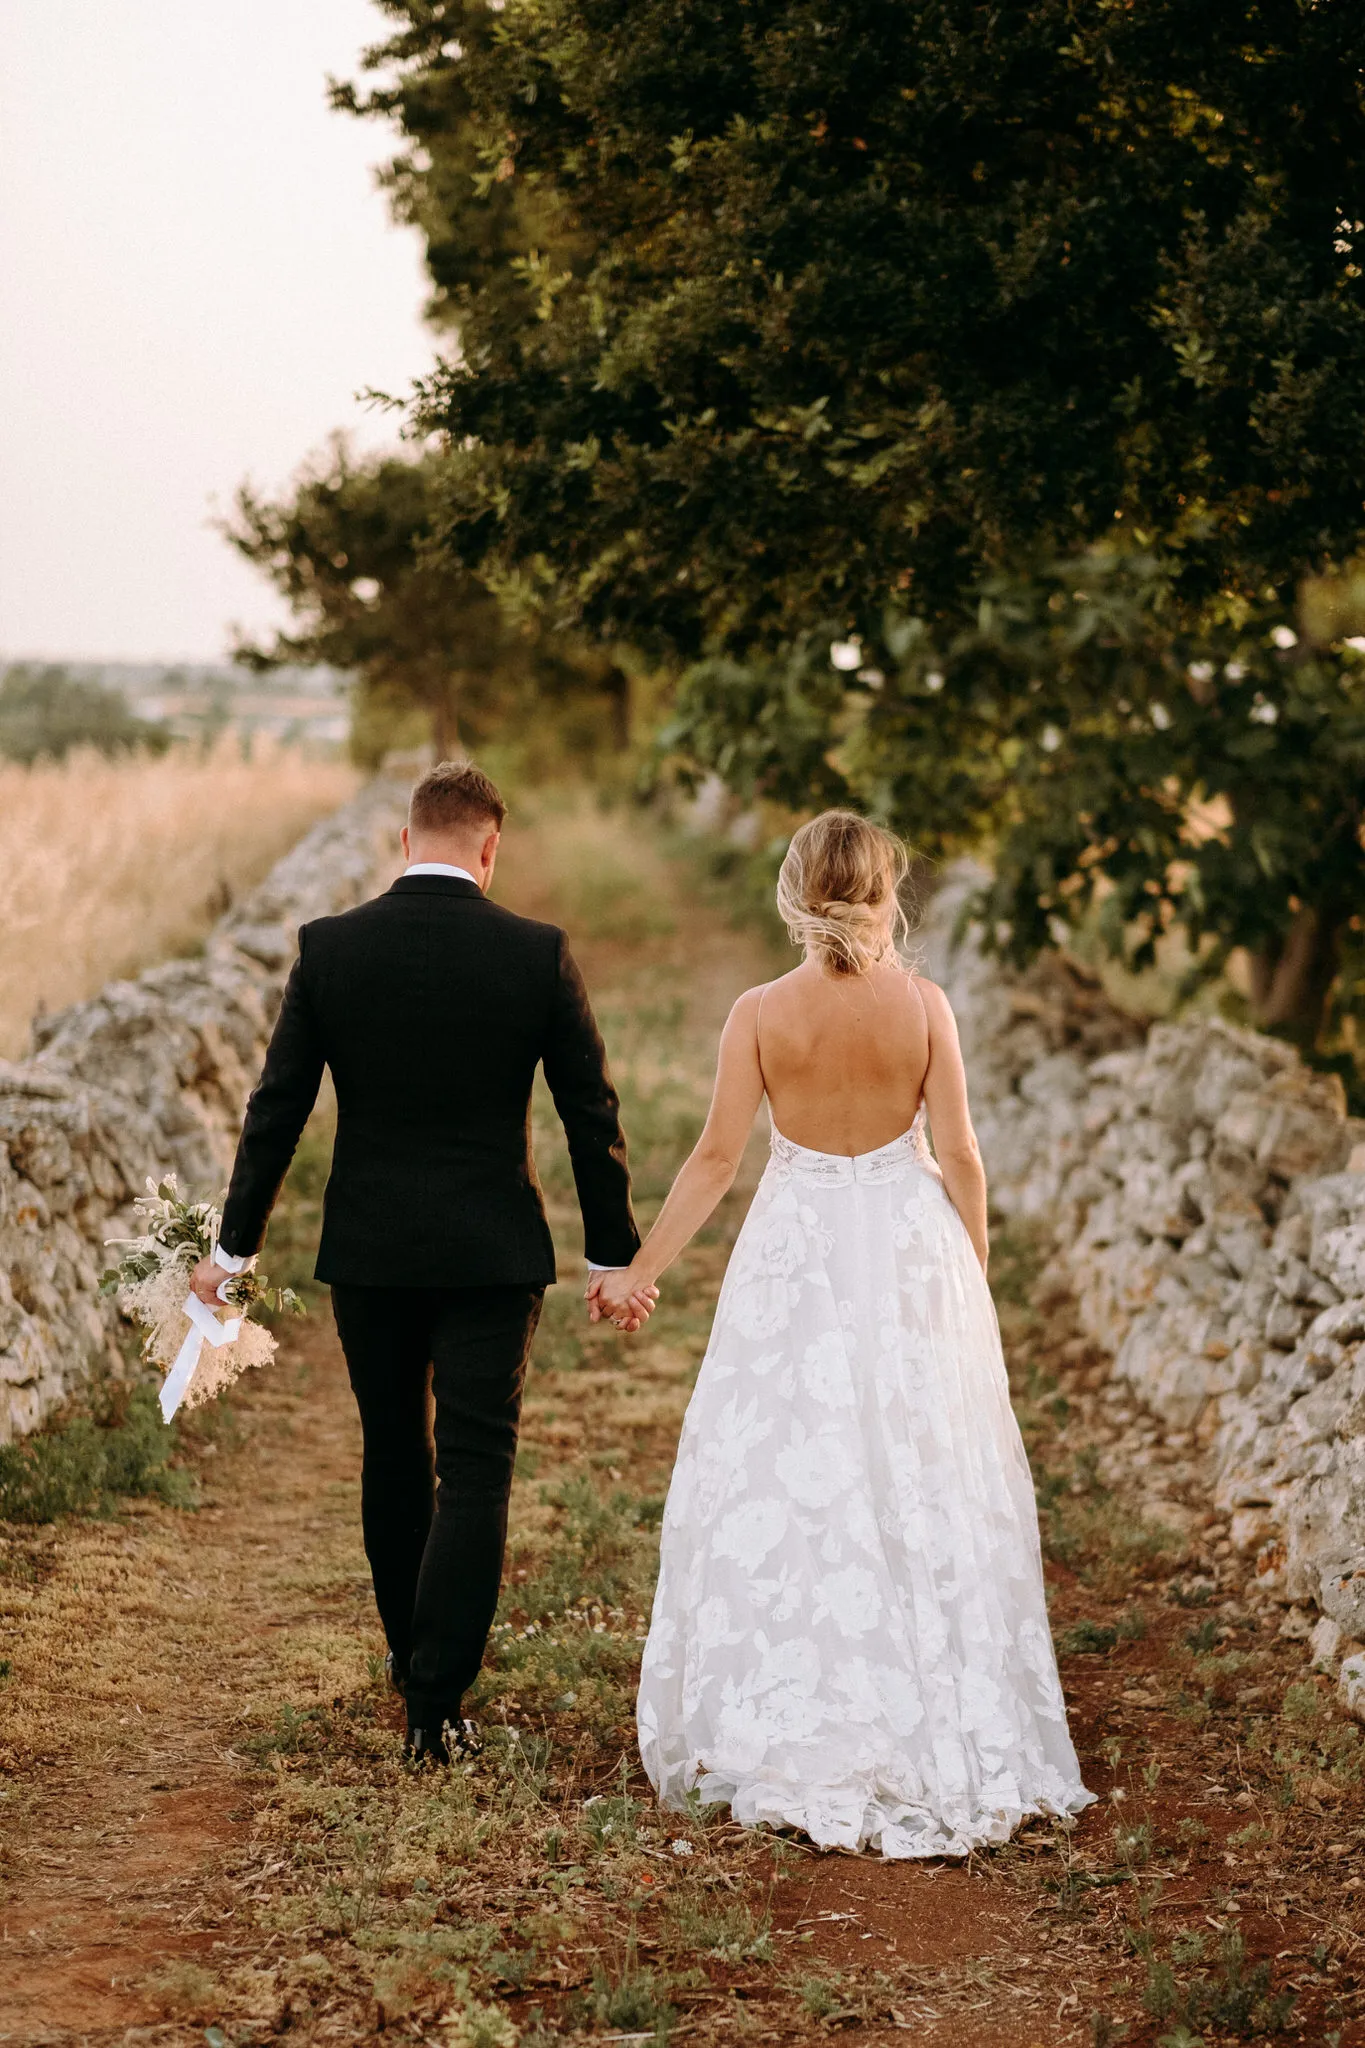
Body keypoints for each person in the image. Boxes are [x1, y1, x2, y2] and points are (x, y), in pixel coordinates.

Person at [595, 810, 1094, 1857]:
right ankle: (931, 1697)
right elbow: (959, 1151)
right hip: (910, 1247)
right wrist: (972, 1270)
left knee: (788, 1465)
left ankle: (798, 1700)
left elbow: (716, 1159)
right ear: (885, 892)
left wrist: (642, 1270)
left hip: (798, 1251)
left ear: (792, 893)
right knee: (920, 1462)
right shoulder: (925, 1006)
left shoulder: (761, 1013)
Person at [191, 760, 652, 1764]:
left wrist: (232, 1248)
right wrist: (610, 1252)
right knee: (477, 1465)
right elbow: (591, 1112)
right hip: (493, 1252)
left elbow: (276, 1111)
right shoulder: (537, 953)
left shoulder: (330, 948)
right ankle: (437, 1707)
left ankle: (411, 1664)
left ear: (406, 841)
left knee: (396, 1451)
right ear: (491, 848)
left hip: (373, 1250)